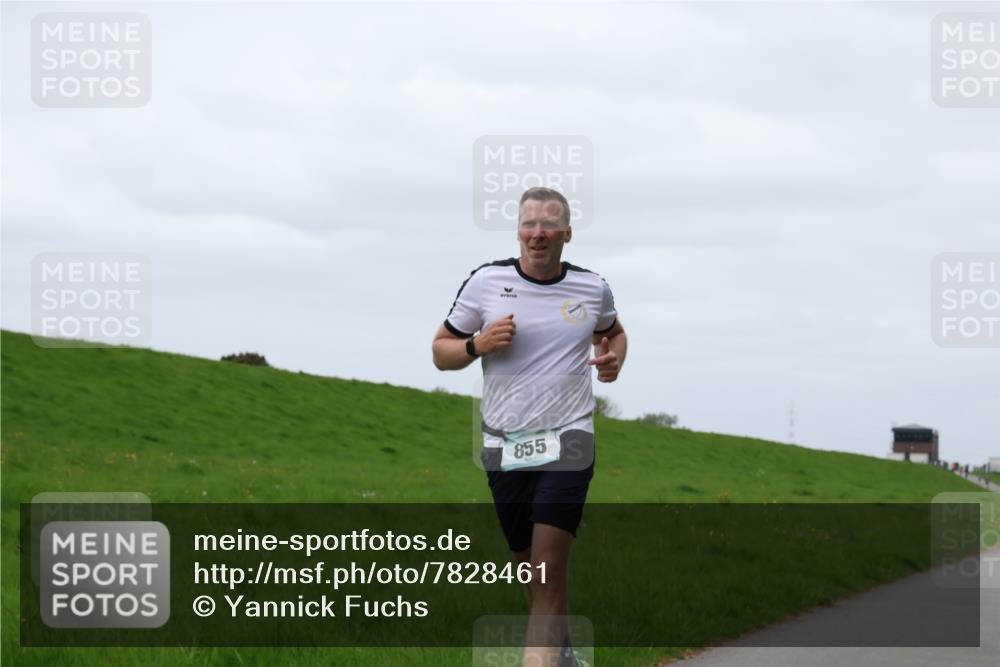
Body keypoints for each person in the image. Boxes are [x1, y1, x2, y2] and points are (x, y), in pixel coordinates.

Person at [432, 187, 627, 667]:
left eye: (548, 225)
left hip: (570, 438)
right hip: (504, 444)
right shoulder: (485, 282)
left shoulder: (592, 287)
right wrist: (477, 345)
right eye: (528, 224)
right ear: (518, 230)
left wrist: (612, 361)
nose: (537, 233)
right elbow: (441, 352)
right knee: (533, 575)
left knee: (547, 571)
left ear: (567, 233)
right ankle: (560, 657)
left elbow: (614, 333)